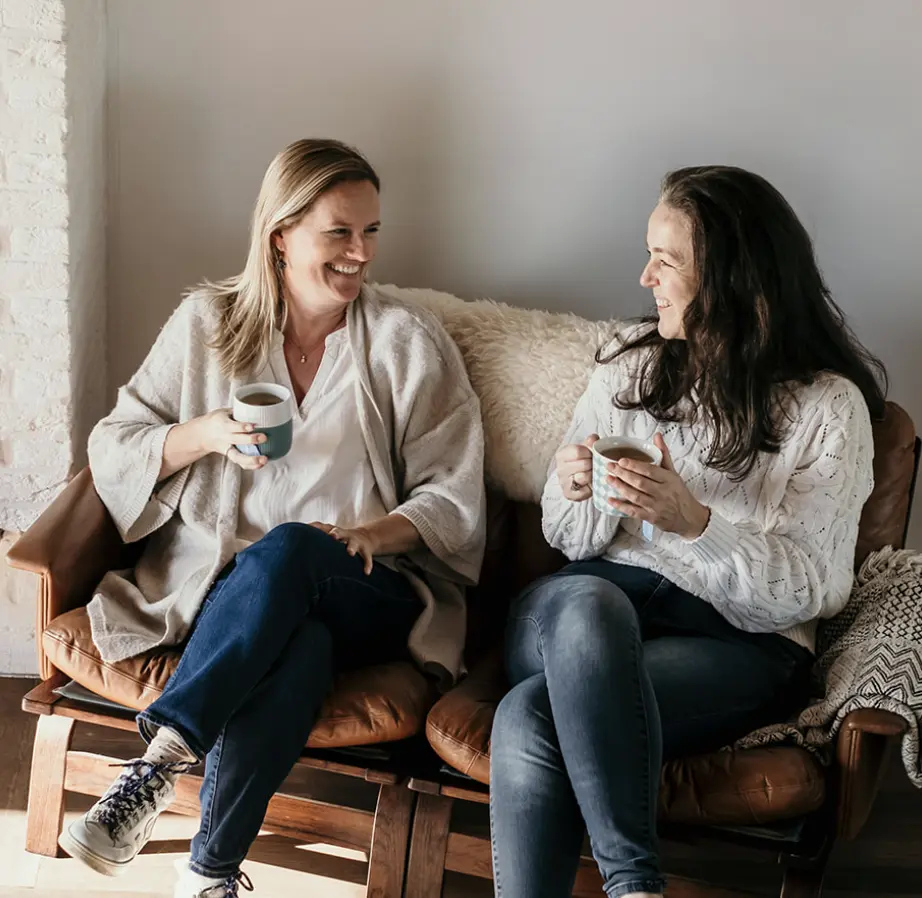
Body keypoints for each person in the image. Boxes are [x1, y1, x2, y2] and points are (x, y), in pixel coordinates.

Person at [59, 138, 486, 898]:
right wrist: (207, 433)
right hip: (232, 595)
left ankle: (160, 758)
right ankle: (210, 876)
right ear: (281, 235)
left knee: (296, 554)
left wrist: (368, 535)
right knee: (300, 648)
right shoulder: (207, 324)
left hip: (368, 582)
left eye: (372, 232)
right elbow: (115, 444)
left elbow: (453, 498)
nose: (362, 252)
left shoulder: (406, 343)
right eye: (341, 232)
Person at [488, 165, 887, 898]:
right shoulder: (629, 370)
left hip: (734, 641)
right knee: (590, 603)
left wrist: (697, 526)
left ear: (732, 279)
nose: (645, 277)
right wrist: (579, 489)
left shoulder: (831, 409)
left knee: (529, 715)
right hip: (583, 610)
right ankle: (636, 886)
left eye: (665, 260)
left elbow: (814, 589)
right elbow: (568, 537)